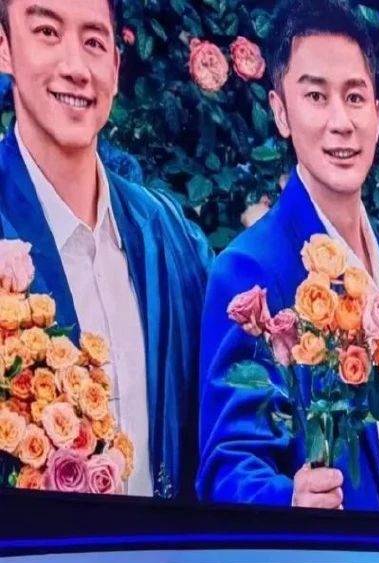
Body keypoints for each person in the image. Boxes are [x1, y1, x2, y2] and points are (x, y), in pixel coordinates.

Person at [197, 0, 379, 513]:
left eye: (355, 97)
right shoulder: (249, 271)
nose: (341, 122)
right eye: (316, 96)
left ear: (377, 113)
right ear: (280, 112)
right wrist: (289, 500)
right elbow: (228, 468)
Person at [0, 0, 209, 498]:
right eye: (47, 32)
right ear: (5, 48)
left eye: (93, 42)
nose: (75, 67)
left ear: (115, 66)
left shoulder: (168, 234)